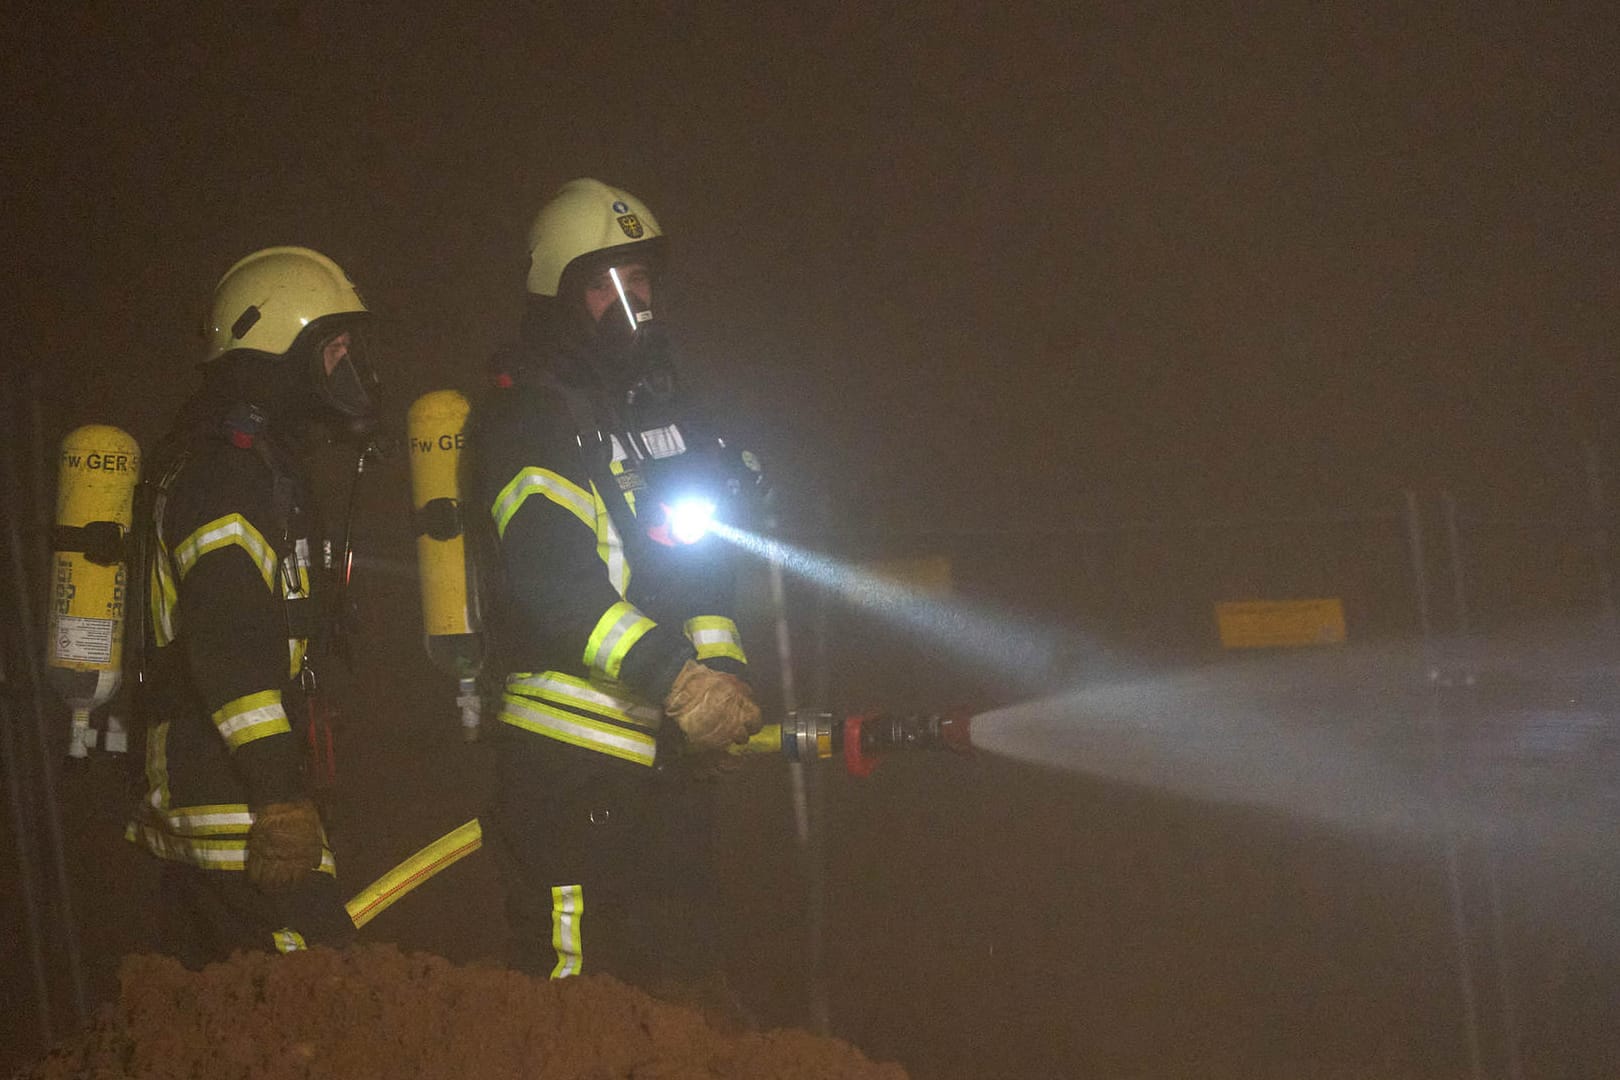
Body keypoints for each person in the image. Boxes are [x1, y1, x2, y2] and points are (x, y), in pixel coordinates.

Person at [470, 178, 765, 989]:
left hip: (663, 766)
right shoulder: (530, 419)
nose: (630, 304)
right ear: (558, 296)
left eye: (640, 283)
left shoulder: (652, 424)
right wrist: (679, 682)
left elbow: (696, 569)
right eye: (603, 285)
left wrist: (724, 679)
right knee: (573, 1004)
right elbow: (557, 588)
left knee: (680, 986)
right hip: (570, 767)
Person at [125, 246, 381, 967]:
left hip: (225, 803)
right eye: (331, 349)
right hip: (238, 810)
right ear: (279, 351)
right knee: (326, 1001)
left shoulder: (252, 469)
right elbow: (231, 649)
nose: (347, 370)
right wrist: (279, 796)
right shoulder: (227, 476)